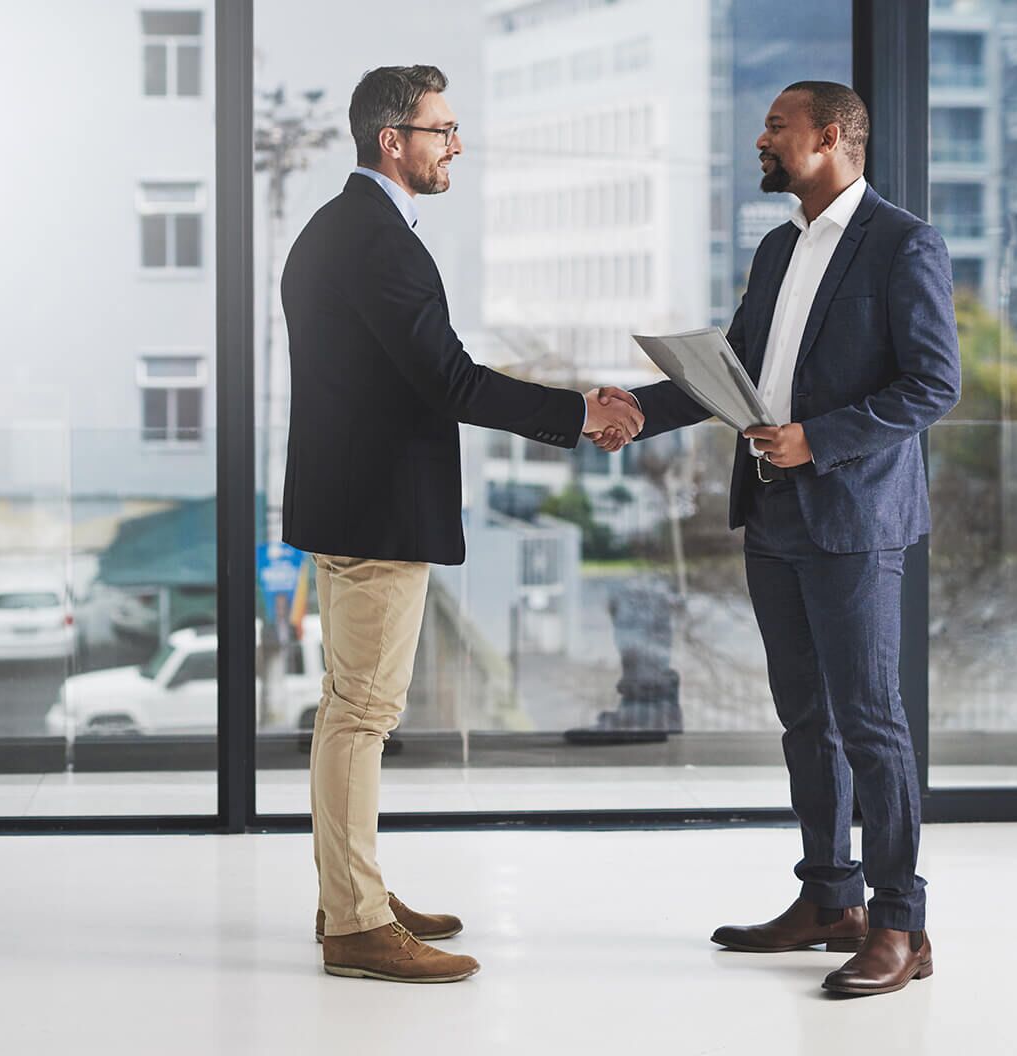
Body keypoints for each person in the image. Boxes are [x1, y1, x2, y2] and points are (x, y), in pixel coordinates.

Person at [279, 64, 643, 984]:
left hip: (355, 500)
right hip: (375, 511)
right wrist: (576, 413)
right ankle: (357, 922)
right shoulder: (375, 241)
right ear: (392, 141)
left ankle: (349, 894)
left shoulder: (346, 230)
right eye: (442, 131)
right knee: (361, 714)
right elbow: (451, 380)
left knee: (348, 709)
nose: (456, 147)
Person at [595, 81, 960, 996]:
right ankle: (829, 900)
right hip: (774, 515)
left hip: (854, 519)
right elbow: (738, 372)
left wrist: (818, 439)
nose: (762, 139)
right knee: (807, 721)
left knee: (872, 726)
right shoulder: (776, 247)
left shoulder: (903, 243)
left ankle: (900, 925)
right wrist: (639, 409)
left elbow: (933, 385)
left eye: (777, 128)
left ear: (829, 137)